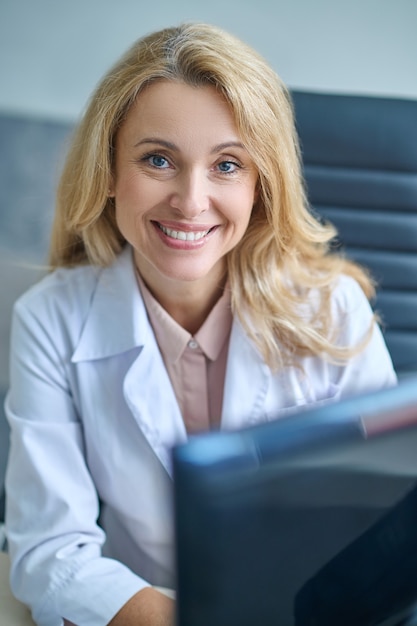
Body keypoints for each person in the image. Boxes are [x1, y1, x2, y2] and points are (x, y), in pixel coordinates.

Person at [5, 21, 396, 626]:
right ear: (108, 170)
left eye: (228, 166)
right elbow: (51, 552)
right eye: (158, 159)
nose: (191, 200)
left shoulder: (332, 311)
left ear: (262, 184)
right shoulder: (50, 320)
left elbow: (384, 533)